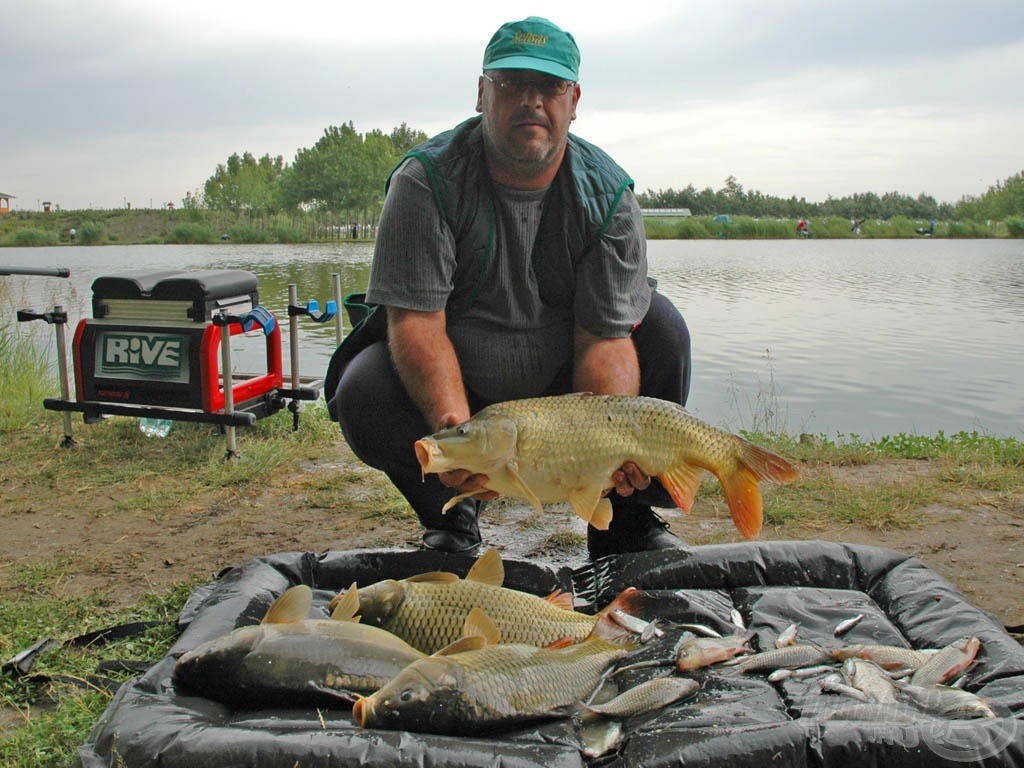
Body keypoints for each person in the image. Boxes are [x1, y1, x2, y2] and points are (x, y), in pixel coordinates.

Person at [327, 16, 692, 559]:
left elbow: (603, 339)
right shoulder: (425, 181)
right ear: (481, 93)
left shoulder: (610, 195)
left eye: (550, 86)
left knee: (661, 329)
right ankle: (452, 513)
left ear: (574, 100)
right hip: (461, 382)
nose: (531, 100)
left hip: (563, 382)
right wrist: (455, 431)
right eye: (512, 83)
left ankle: (623, 523)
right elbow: (416, 325)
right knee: (363, 390)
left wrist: (612, 446)